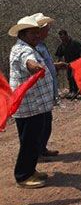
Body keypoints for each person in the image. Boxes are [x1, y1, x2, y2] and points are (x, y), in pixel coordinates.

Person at [8, 15, 56, 188]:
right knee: (29, 141)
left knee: (34, 139)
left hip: (37, 106)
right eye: (33, 33)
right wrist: (34, 66)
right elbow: (28, 61)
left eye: (38, 32)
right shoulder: (22, 50)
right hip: (29, 107)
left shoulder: (30, 47)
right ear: (22, 34)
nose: (37, 35)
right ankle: (23, 175)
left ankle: (30, 169)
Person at [33, 13, 67, 158]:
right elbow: (36, 67)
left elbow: (45, 65)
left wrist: (56, 66)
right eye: (46, 29)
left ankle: (42, 148)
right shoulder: (34, 48)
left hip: (47, 89)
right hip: (39, 92)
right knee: (41, 123)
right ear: (38, 31)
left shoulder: (42, 45)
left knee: (46, 121)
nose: (48, 31)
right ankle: (37, 152)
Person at [55, 29, 81, 98]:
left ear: (66, 35)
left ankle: (77, 92)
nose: (62, 39)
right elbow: (59, 55)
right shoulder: (62, 46)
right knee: (70, 78)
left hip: (77, 63)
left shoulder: (75, 43)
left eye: (63, 36)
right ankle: (72, 91)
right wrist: (57, 66)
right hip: (68, 64)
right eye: (60, 37)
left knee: (75, 77)